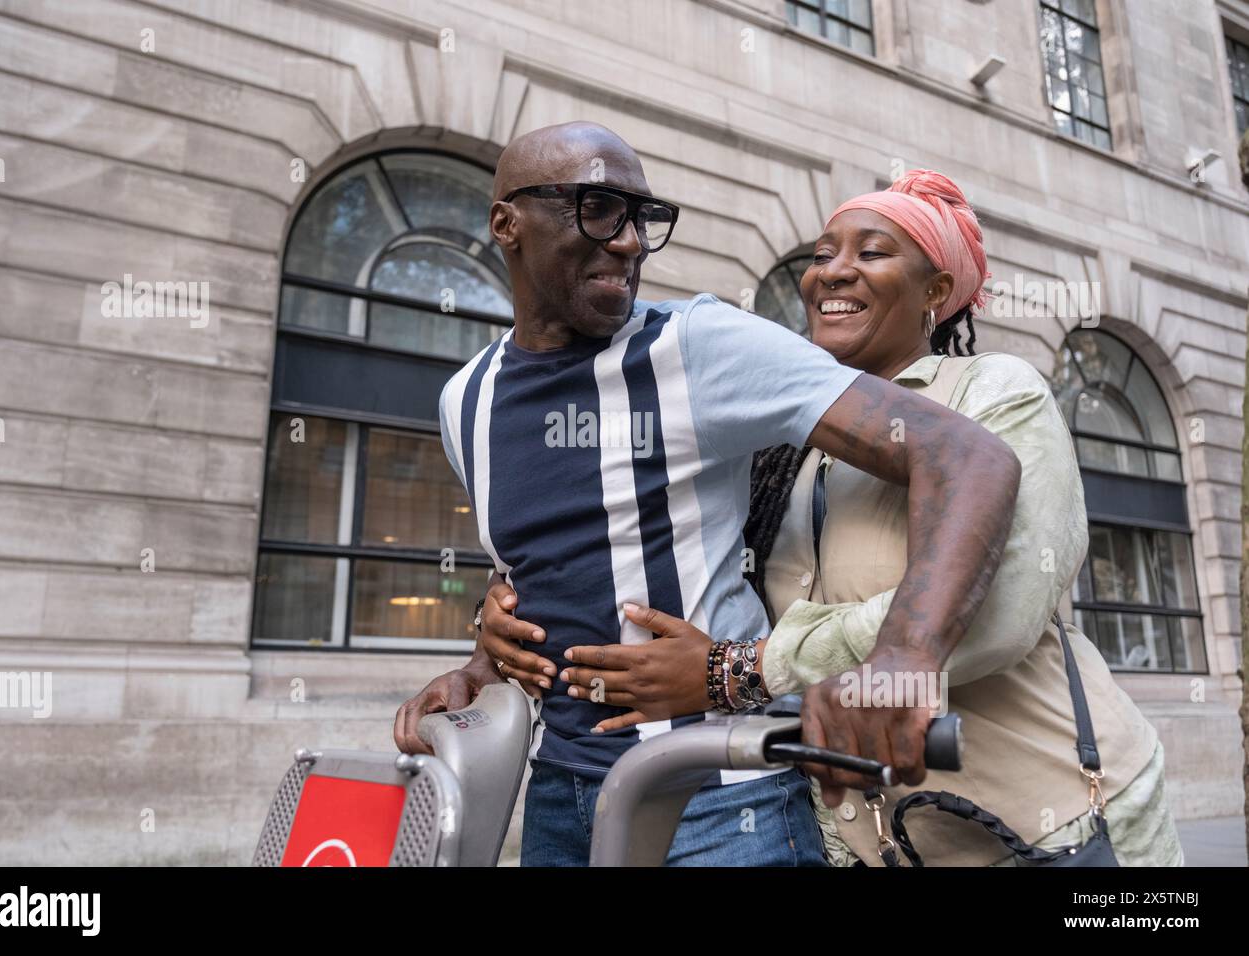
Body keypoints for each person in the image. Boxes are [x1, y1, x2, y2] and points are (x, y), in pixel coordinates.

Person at [488, 169, 1181, 866]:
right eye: (821, 256)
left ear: (936, 293)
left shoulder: (995, 392)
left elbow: (1002, 610)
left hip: (1052, 826)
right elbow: (680, 561)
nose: (831, 274)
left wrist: (747, 669)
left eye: (871, 253)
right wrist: (496, 633)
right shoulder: (776, 443)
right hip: (866, 844)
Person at [393, 123, 1022, 867]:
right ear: (507, 223)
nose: (627, 242)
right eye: (597, 208)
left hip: (723, 802)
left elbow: (967, 455)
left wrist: (904, 656)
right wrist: (480, 665)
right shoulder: (464, 402)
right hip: (560, 799)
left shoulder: (697, 344)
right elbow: (529, 571)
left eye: (640, 218)